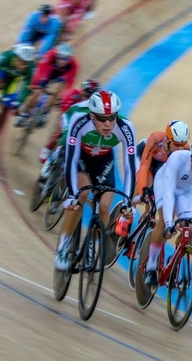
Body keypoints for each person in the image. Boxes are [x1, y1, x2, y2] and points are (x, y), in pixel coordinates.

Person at [54, 90, 137, 270]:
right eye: (101, 118)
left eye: (112, 117)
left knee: (105, 207)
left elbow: (130, 167)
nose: (107, 124)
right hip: (82, 158)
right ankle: (64, 245)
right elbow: (71, 159)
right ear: (92, 116)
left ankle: (92, 243)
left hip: (103, 161)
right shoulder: (79, 120)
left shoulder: (126, 127)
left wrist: (127, 202)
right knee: (81, 195)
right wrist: (71, 194)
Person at [144, 134, 192, 288]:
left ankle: (175, 261)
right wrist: (168, 223)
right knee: (165, 220)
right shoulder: (178, 159)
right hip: (165, 185)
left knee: (191, 228)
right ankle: (151, 266)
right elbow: (168, 193)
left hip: (187, 189)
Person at [112, 120, 190, 239]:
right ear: (168, 140)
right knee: (145, 183)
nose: (181, 148)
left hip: (160, 168)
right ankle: (126, 214)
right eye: (177, 144)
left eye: (183, 144)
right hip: (142, 159)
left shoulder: (185, 149)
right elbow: (144, 167)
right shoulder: (155, 140)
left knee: (152, 208)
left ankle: (135, 240)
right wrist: (143, 190)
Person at [13, 42, 78, 128]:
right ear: (56, 54)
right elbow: (40, 71)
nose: (62, 61)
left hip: (60, 76)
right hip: (47, 71)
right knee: (36, 91)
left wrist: (62, 98)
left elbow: (69, 83)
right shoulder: (50, 55)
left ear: (70, 59)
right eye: (60, 57)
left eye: (65, 59)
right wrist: (36, 85)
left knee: (56, 91)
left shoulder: (73, 65)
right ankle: (23, 114)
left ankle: (43, 114)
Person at [39, 78, 100, 164]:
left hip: (81, 122)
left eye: (89, 97)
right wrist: (62, 130)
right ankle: (50, 145)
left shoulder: (96, 105)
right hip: (67, 116)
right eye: (86, 95)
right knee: (60, 134)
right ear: (82, 91)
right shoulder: (73, 94)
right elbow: (62, 115)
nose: (87, 98)